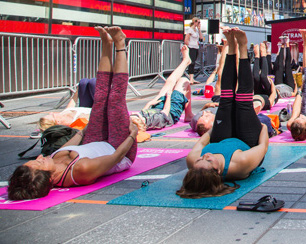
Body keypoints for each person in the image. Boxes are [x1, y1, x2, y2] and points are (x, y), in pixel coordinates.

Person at [8, 27, 138, 200]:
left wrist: (87, 128)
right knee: (115, 99)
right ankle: (120, 44)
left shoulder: (52, 161)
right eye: (39, 162)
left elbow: (76, 140)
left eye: (35, 159)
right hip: (119, 148)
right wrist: (132, 135)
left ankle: (106, 44)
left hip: (94, 141)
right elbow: (116, 157)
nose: (40, 156)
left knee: (100, 97)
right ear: (47, 178)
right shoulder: (80, 171)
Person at [178, 27, 269, 198]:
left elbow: (205, 139)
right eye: (208, 160)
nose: (205, 156)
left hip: (222, 138)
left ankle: (232, 48)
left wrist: (220, 123)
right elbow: (263, 147)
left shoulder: (192, 161)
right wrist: (262, 128)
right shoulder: (240, 164)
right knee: (243, 103)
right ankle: (243, 47)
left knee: (226, 100)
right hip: (247, 143)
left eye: (200, 159)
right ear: (218, 171)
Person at [131, 46, 194, 131]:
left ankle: (185, 61)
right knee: (183, 81)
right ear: (142, 121)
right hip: (171, 112)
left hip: (157, 108)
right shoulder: (156, 120)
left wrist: (149, 103)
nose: (134, 113)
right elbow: (165, 112)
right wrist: (169, 96)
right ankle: (188, 114)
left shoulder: (141, 118)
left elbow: (143, 112)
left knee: (169, 82)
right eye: (136, 115)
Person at [184, 18, 203, 83]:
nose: (199, 24)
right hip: (191, 47)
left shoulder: (196, 30)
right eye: (198, 22)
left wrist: (199, 29)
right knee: (191, 63)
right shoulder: (190, 30)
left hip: (196, 47)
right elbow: (186, 39)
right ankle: (191, 78)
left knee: (193, 62)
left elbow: (201, 37)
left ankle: (192, 78)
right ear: (195, 22)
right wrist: (188, 46)